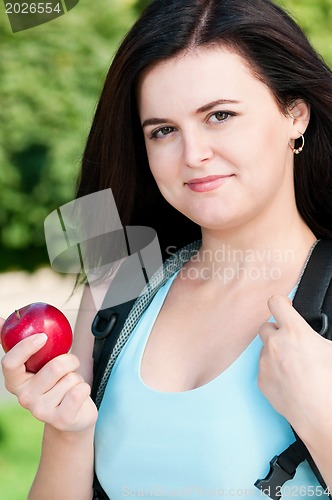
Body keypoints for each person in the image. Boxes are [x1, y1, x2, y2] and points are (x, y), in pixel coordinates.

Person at [1, 0, 332, 498]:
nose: (193, 155)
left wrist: (322, 418)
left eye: (220, 115)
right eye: (163, 131)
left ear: (295, 115)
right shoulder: (121, 283)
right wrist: (68, 430)